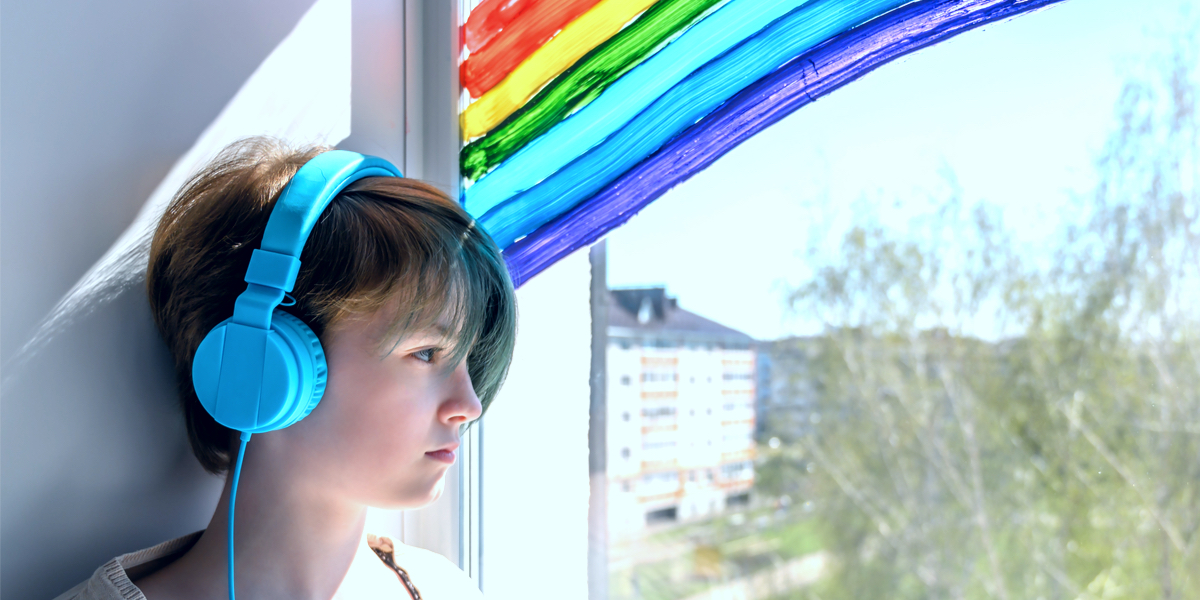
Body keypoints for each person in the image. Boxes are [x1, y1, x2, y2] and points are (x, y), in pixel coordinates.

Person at [54, 137, 517, 600]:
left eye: (466, 358)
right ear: (263, 360)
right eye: (426, 352)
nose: (470, 405)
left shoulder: (447, 589)